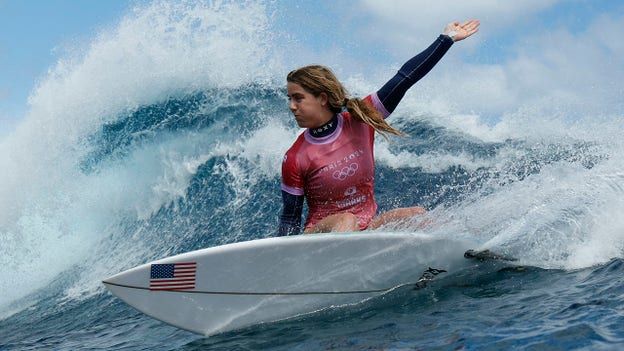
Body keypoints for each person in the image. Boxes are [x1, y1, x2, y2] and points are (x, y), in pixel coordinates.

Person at [279, 20, 480, 236]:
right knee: (346, 222)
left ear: (323, 98)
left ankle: (468, 252)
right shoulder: (296, 157)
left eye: (298, 98)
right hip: (318, 238)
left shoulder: (361, 120)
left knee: (417, 214)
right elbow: (290, 219)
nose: (291, 106)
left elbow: (404, 78)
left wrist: (445, 39)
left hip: (365, 231)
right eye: (290, 98)